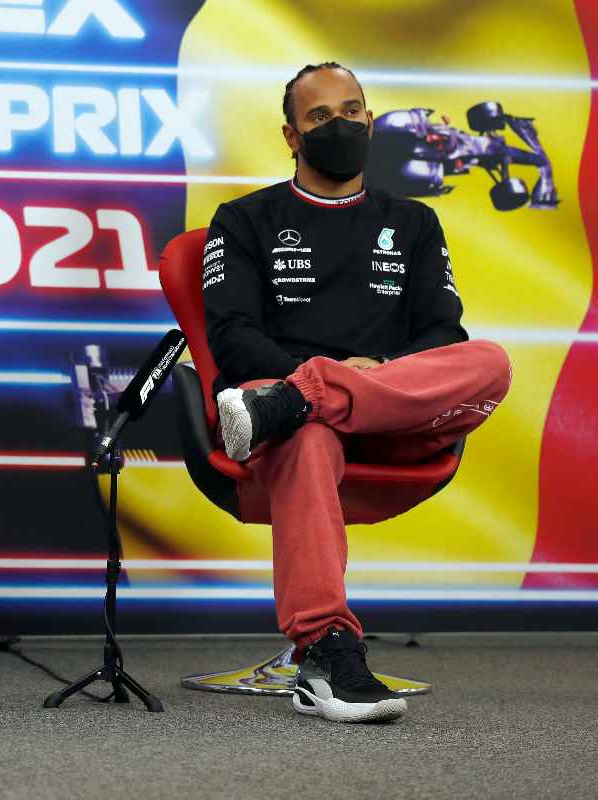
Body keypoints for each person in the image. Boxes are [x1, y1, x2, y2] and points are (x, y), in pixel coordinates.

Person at [202, 62, 511, 723]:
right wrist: (310, 389)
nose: (338, 126)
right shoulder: (244, 219)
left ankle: (308, 396)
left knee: (488, 361)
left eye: (351, 111)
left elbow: (441, 335)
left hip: (384, 416)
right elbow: (232, 338)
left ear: (370, 122)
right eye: (319, 117)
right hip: (283, 410)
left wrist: (353, 381)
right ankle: (327, 649)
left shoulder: (416, 223)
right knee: (309, 431)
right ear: (290, 135)